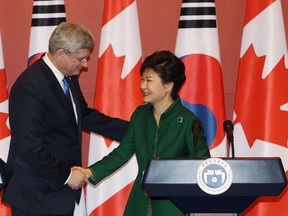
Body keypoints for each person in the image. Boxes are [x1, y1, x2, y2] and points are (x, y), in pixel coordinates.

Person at [2, 22, 129, 216]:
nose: (85, 64)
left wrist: (134, 130)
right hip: (36, 196)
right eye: (81, 58)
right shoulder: (31, 86)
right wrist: (68, 175)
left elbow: (83, 116)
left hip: (56, 194)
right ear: (61, 53)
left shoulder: (67, 76)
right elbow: (29, 146)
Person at [74, 50, 211, 216]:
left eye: (149, 80)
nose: (142, 86)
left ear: (168, 85)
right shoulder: (140, 115)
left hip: (173, 206)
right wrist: (89, 172)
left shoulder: (189, 121)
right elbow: (121, 153)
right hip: (139, 202)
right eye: (142, 79)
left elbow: (203, 166)